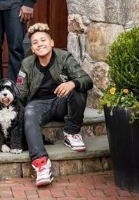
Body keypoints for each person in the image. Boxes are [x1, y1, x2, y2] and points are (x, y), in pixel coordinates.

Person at [16, 23, 93, 188]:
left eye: (43, 40)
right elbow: (21, 94)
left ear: (51, 42)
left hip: (62, 102)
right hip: (39, 104)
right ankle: (41, 163)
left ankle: (71, 133)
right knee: (29, 113)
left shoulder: (64, 57)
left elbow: (87, 80)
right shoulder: (27, 64)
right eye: (35, 42)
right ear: (32, 48)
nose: (39, 44)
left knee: (78, 90)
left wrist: (72, 83)